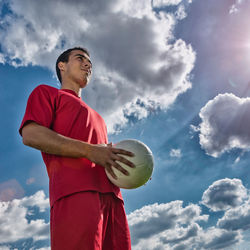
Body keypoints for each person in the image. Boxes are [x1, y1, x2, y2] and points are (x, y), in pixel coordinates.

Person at [19, 47, 135, 250]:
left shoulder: (99, 118)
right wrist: (91, 151)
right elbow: (31, 135)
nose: (88, 65)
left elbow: (105, 156)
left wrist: (132, 169)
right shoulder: (47, 93)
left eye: (90, 62)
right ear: (61, 66)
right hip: (75, 193)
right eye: (80, 59)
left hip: (114, 200)